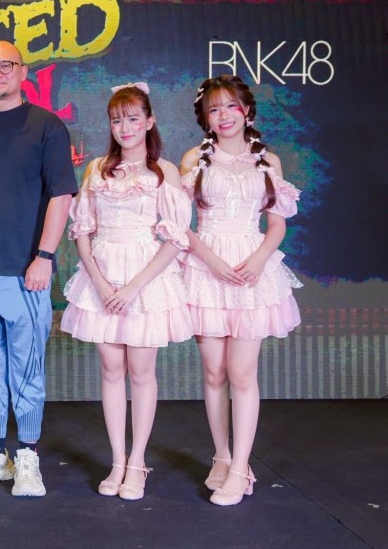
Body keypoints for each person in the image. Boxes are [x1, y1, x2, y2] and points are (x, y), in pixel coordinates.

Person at [0, 40, 78, 497]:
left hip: (27, 274)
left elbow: (61, 196)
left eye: (7, 65)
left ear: (24, 72)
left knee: (26, 372)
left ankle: (28, 455)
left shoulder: (47, 127)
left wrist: (44, 257)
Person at [59, 83, 193, 501]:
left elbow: (175, 239)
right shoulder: (97, 168)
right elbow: (83, 231)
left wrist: (134, 287)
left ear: (149, 121)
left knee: (141, 371)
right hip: (102, 276)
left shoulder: (164, 171)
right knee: (111, 369)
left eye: (133, 118)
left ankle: (137, 463)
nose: (125, 127)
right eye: (117, 120)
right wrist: (100, 283)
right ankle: (117, 461)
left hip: (144, 280)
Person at [179, 74, 302, 507]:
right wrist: (211, 261)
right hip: (206, 269)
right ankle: (222, 456)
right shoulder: (194, 158)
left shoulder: (267, 160)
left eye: (231, 106)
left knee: (242, 373)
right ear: (205, 117)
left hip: (252, 269)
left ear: (246, 110)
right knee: (214, 372)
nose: (224, 115)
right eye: (214, 109)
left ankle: (241, 469)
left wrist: (258, 261)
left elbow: (277, 223)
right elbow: (180, 224)